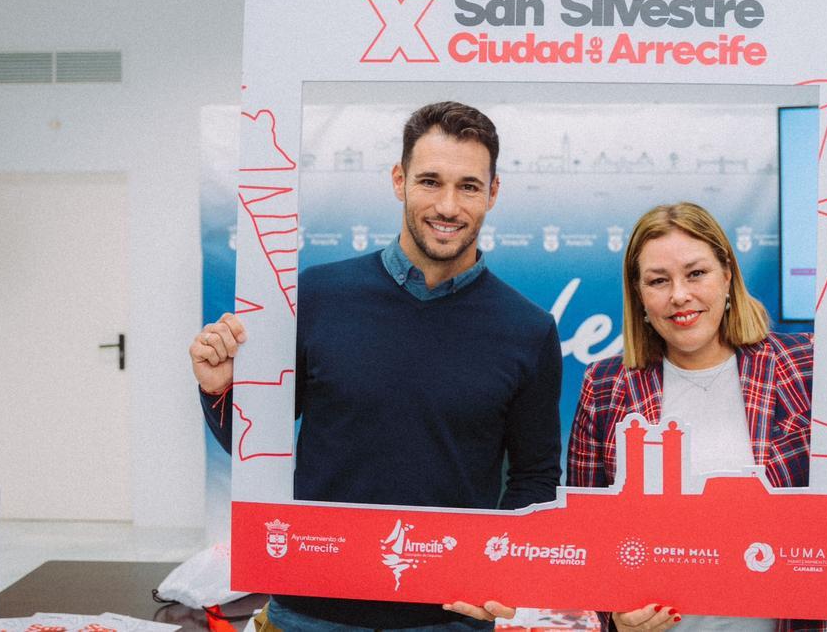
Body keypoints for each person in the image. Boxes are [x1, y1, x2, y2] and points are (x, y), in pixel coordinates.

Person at [190, 102, 562, 631]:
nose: (448, 205)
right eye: (430, 181)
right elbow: (259, 450)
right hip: (311, 608)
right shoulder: (314, 298)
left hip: (449, 616)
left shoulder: (528, 329)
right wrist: (220, 392)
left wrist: (499, 575)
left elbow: (534, 478)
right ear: (398, 180)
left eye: (469, 186)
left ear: (493, 193)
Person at [567, 202, 827, 632]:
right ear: (640, 296)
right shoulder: (604, 386)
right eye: (659, 281)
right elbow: (588, 538)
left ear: (727, 276)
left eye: (696, 273)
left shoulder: (806, 366)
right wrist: (616, 615)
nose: (679, 294)